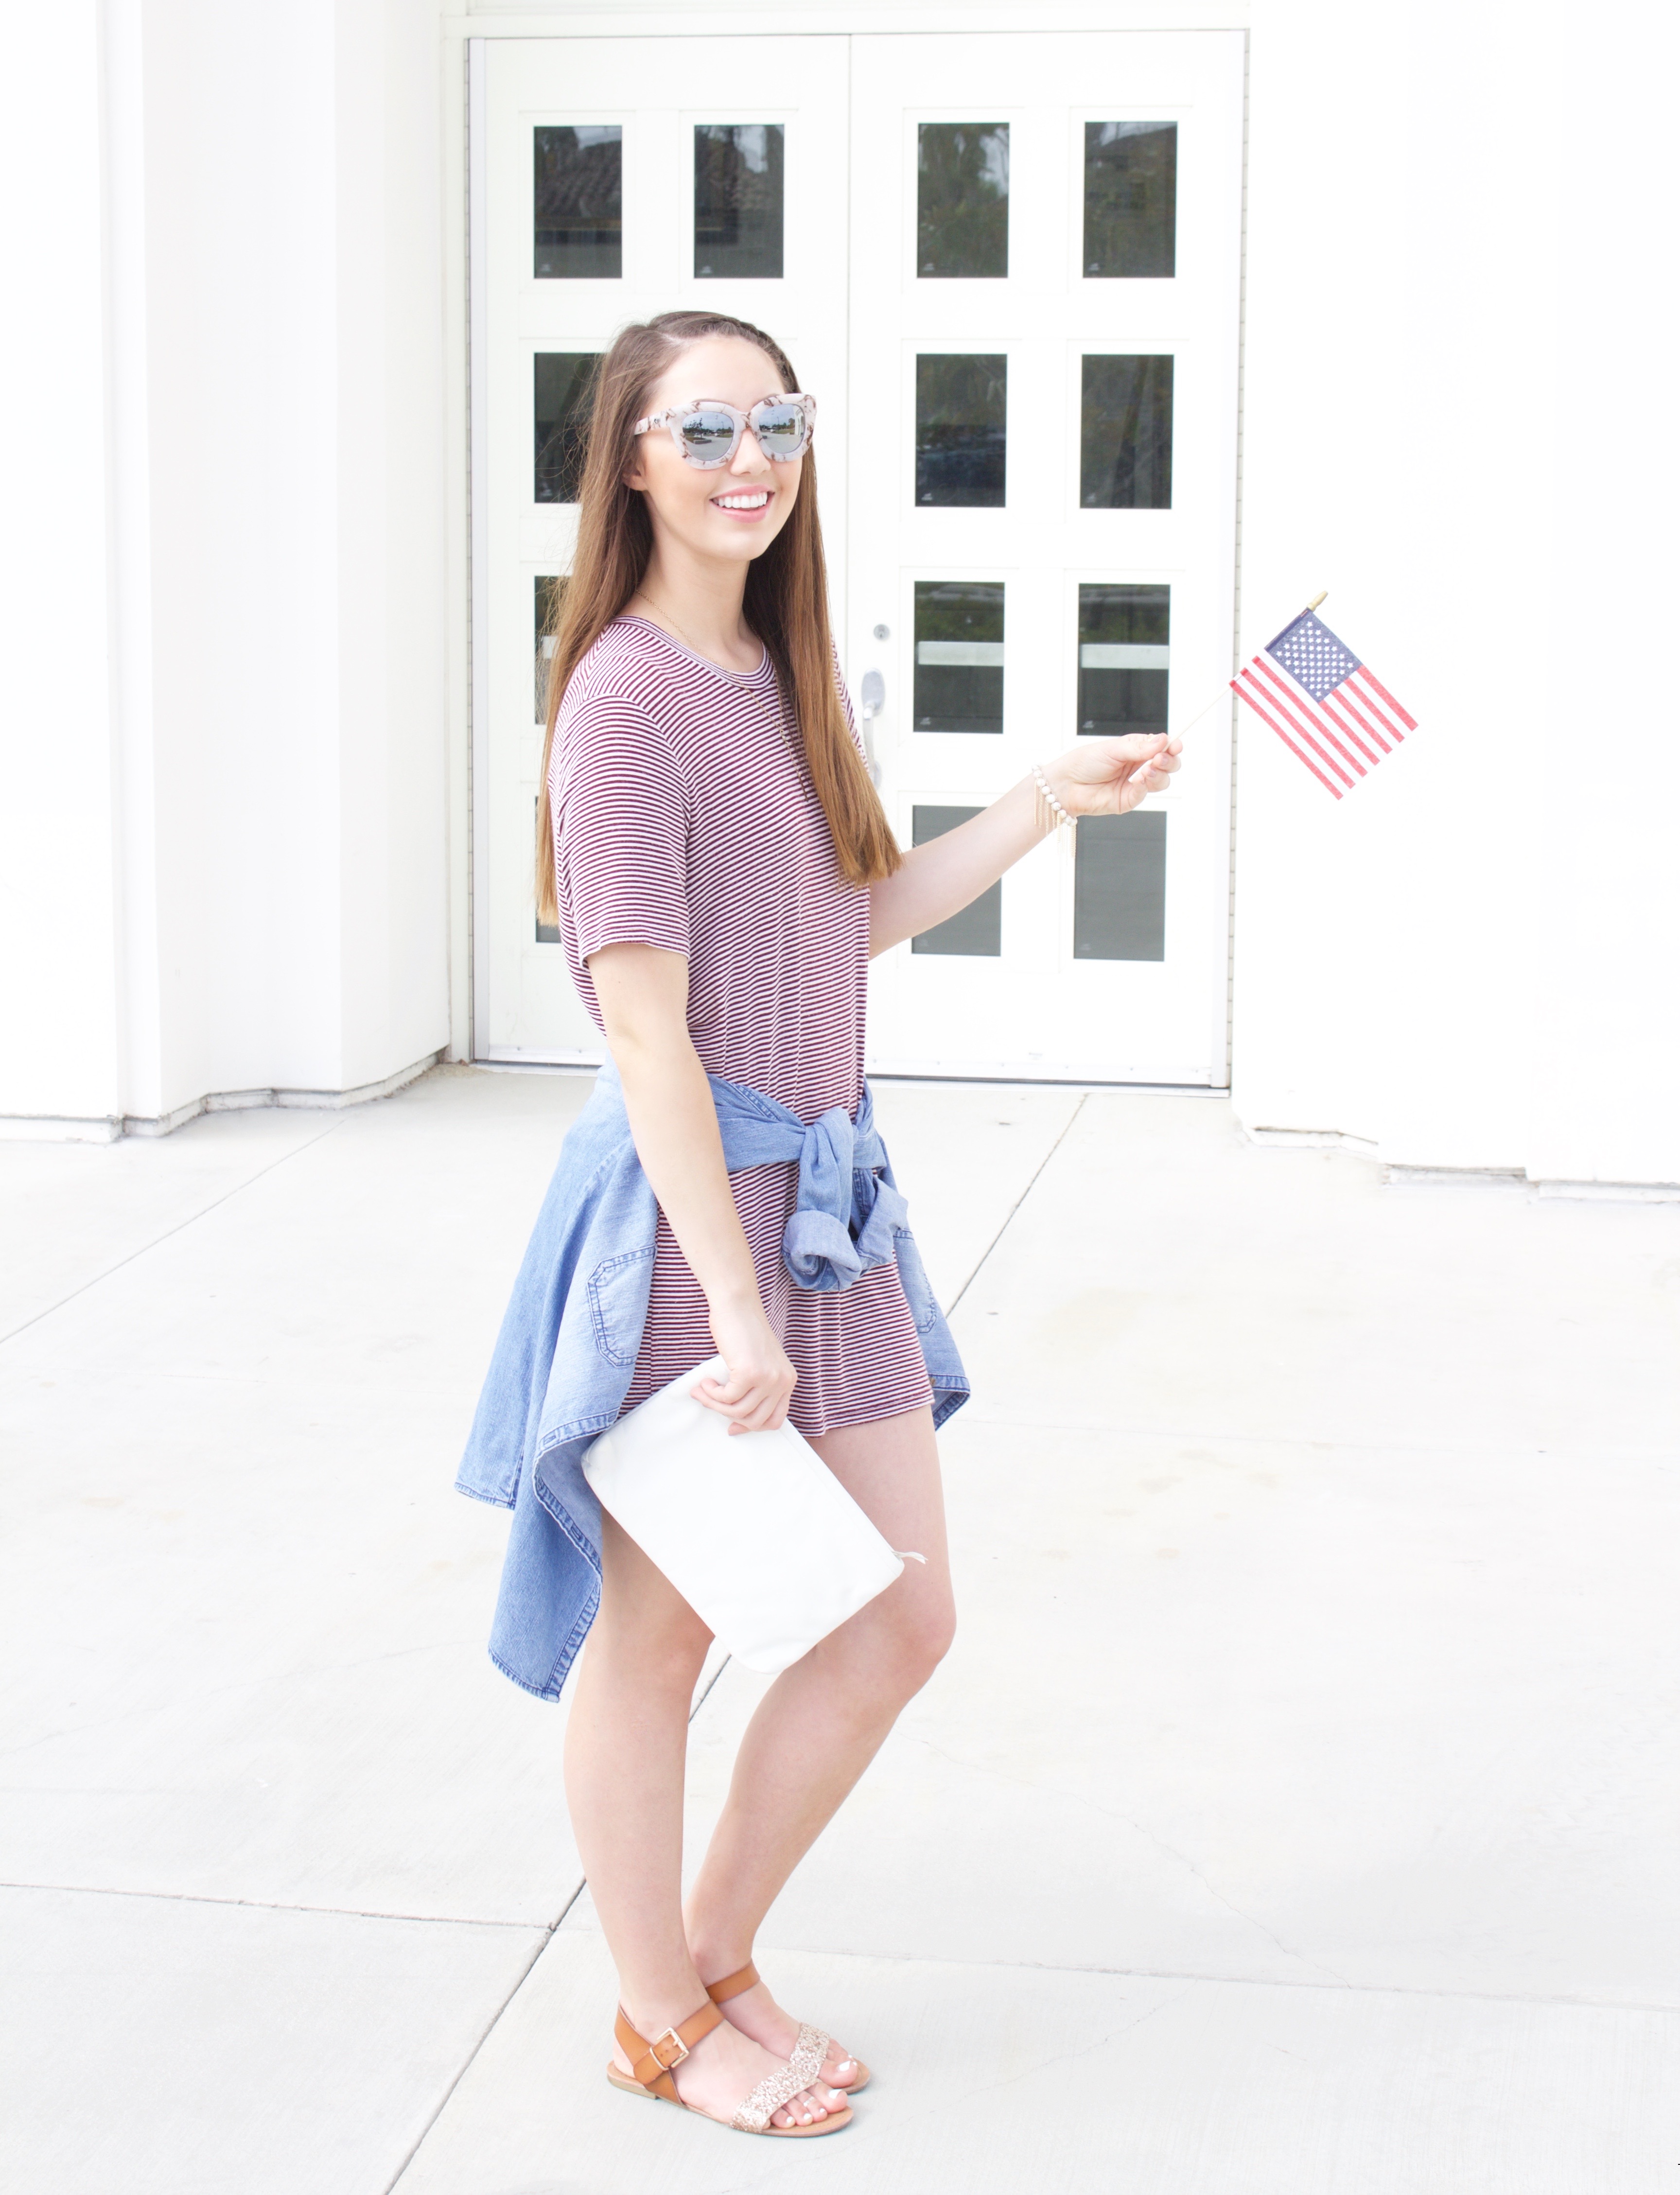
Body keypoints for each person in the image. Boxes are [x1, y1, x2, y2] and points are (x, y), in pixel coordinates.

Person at [457, 309, 1180, 2140]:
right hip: (699, 1223)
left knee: (898, 1622)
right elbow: (644, 1020)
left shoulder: (778, 676)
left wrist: (1038, 801)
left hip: (835, 1214)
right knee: (665, 1639)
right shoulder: (622, 697)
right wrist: (732, 1296)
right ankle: (650, 2009)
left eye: (772, 421)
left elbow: (834, 925)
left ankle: (701, 1958)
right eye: (701, 431)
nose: (746, 459)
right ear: (627, 460)